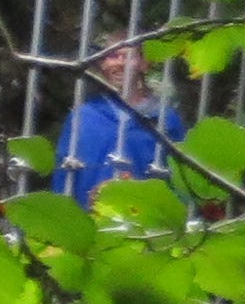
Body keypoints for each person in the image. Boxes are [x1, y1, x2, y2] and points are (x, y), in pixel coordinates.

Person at [55, 44, 183, 204]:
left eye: (128, 56)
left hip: (145, 215)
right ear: (102, 63)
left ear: (144, 64)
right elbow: (63, 176)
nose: (119, 63)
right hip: (87, 215)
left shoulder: (165, 119)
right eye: (112, 56)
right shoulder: (83, 116)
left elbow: (180, 180)